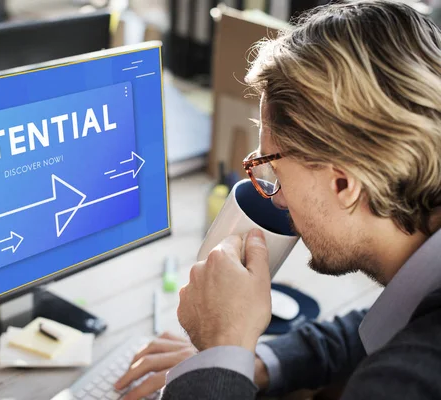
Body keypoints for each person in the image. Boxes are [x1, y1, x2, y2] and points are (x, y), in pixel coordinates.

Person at [114, 0, 441, 398]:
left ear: (344, 184)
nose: (278, 199)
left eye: (273, 169)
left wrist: (221, 348)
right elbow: (380, 327)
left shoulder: (407, 382)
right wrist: (251, 362)